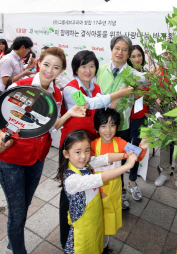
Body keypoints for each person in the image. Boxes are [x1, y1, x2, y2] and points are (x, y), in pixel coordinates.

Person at [0, 47, 87, 254]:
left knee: (25, 204)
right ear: (38, 63)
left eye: (56, 67)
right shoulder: (19, 86)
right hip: (11, 158)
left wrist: (70, 113)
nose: (49, 70)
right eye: (46, 64)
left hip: (37, 158)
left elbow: (50, 125)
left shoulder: (56, 93)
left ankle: (13, 240)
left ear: (61, 70)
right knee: (18, 210)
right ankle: (18, 249)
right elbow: (2, 115)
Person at [59, 50, 134, 249]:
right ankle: (68, 240)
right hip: (73, 147)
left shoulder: (96, 86)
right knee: (71, 194)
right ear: (76, 68)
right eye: (83, 66)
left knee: (90, 192)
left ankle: (97, 239)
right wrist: (119, 93)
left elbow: (103, 106)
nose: (88, 70)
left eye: (92, 66)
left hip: (89, 145)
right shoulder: (70, 88)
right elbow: (88, 103)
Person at [96, 35, 157, 209]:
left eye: (124, 49)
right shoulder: (99, 70)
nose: (120, 52)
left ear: (128, 53)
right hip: (100, 127)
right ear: (111, 49)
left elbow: (147, 78)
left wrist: (154, 73)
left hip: (122, 126)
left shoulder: (132, 74)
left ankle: (123, 190)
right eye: (117, 48)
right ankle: (103, 191)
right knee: (102, 159)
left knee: (123, 157)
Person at [55, 129, 138, 254]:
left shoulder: (85, 164)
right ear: (66, 154)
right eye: (78, 152)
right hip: (83, 230)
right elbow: (101, 177)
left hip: (94, 220)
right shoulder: (72, 180)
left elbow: (105, 158)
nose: (84, 156)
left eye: (87, 150)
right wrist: (127, 166)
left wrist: (124, 155)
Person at [91, 108, 149, 252]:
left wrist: (142, 146)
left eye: (112, 125)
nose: (108, 130)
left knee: (108, 223)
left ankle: (104, 246)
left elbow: (137, 155)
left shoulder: (121, 142)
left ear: (117, 126)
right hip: (96, 193)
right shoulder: (92, 146)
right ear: (96, 128)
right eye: (103, 125)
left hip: (114, 191)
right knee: (95, 222)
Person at [154, 49, 177, 198]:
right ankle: (165, 172)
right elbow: (155, 90)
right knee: (164, 144)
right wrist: (157, 99)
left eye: (170, 53)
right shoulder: (160, 70)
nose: (168, 56)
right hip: (164, 113)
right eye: (165, 54)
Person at [127, 45, 150, 201]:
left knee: (137, 149)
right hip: (129, 118)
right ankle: (121, 187)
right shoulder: (127, 74)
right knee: (125, 148)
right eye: (133, 56)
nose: (137, 59)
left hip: (143, 117)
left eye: (139, 55)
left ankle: (132, 182)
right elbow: (125, 96)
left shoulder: (147, 74)